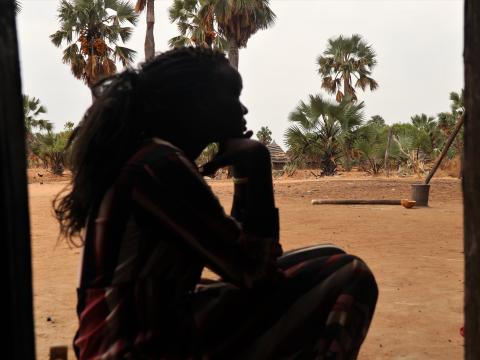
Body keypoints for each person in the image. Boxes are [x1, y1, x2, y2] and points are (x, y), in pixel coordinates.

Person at [54, 47, 378, 360]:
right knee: (351, 273)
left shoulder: (149, 159)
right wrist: (257, 165)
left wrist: (243, 174)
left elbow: (236, 251)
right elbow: (256, 271)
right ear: (195, 104)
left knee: (329, 256)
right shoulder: (160, 166)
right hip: (135, 347)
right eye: (232, 95)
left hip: (128, 337)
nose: (243, 109)